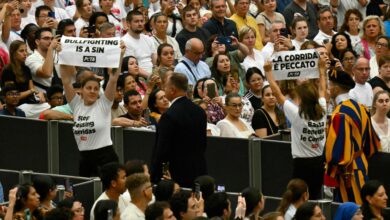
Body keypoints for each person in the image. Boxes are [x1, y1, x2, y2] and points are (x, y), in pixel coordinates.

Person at [265, 57, 327, 199]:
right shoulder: (322, 110)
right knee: (314, 197)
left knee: (297, 199)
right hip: (319, 162)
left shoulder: (297, 115)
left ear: (302, 99)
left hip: (302, 164)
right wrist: (322, 70)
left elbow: (277, 93)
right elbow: (323, 89)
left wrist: (268, 72)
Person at [60, 41, 125, 177]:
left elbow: (113, 78)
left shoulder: (103, 104)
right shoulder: (76, 104)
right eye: (88, 88)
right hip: (85, 158)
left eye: (96, 88)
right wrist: (62, 53)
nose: (92, 91)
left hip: (106, 158)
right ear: (81, 90)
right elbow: (66, 80)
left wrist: (119, 55)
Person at [326, 70, 381, 204]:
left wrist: (330, 173)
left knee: (352, 212)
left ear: (336, 89)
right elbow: (371, 141)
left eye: (330, 85)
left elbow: (337, 152)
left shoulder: (339, 114)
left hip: (348, 173)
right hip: (363, 164)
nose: (328, 89)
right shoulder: (361, 108)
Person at [151, 72, 207, 187]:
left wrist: (154, 176)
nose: (164, 89)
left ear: (172, 90)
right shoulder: (199, 111)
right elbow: (203, 143)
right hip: (199, 171)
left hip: (177, 176)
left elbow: (162, 150)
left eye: (165, 87)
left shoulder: (169, 115)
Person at [25, 27, 61, 92]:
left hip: (61, 94)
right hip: (44, 97)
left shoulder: (57, 55)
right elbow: (46, 74)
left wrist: (62, 53)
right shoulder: (31, 59)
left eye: (52, 39)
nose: (50, 41)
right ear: (37, 42)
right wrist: (50, 49)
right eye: (46, 38)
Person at [122, 10, 156, 76]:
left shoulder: (148, 39)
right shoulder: (124, 41)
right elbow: (130, 67)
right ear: (128, 23)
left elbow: (154, 58)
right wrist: (150, 76)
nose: (140, 24)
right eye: (136, 21)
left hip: (153, 73)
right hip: (137, 76)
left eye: (142, 21)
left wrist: (155, 74)